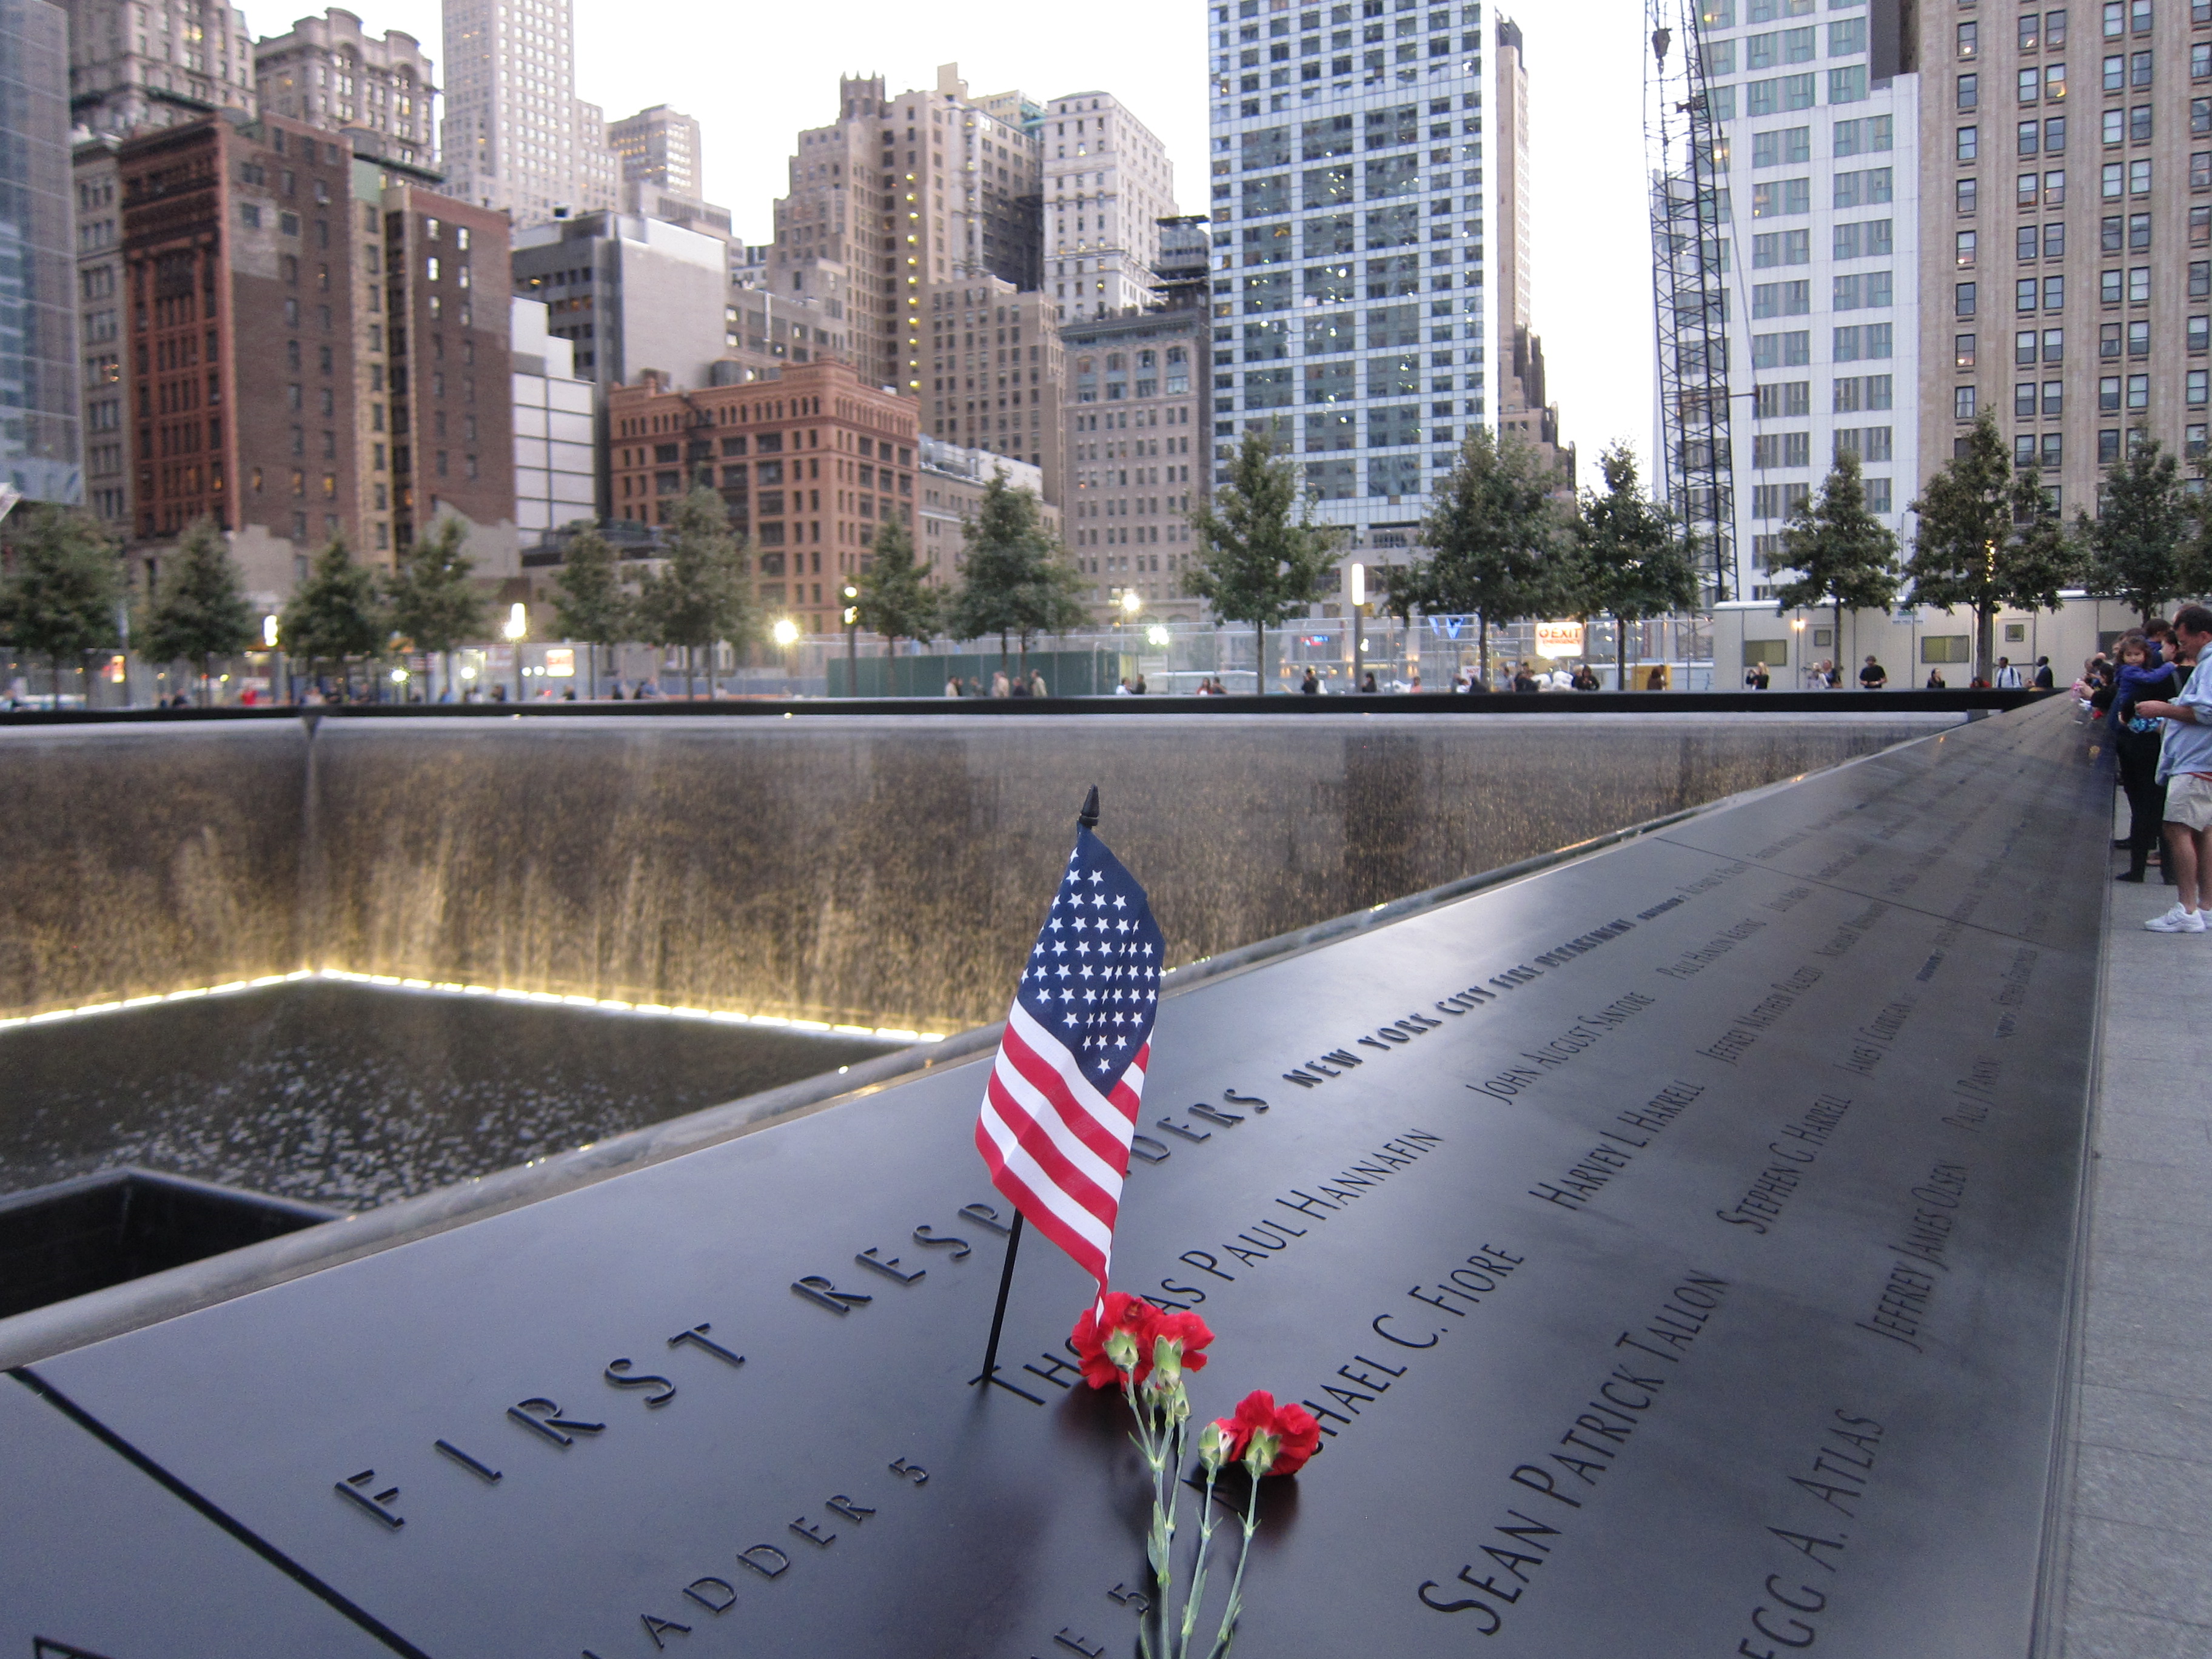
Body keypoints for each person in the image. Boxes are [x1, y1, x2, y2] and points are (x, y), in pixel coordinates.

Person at [2136, 604, 2212, 928]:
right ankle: (2205, 906)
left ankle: (2187, 908)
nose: (2182, 647)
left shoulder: (2209, 665)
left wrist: (2163, 709)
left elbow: (2208, 712)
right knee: (2206, 832)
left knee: (2177, 829)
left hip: (2196, 762)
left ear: (2204, 636)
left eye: (2184, 640)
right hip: (2203, 763)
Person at [2111, 634, 2182, 883]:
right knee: (2165, 810)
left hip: (2140, 747)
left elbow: (2128, 706)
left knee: (2142, 808)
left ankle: (2138, 868)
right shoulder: (2174, 675)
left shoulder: (2144, 677)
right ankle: (2171, 872)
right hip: (2168, 747)